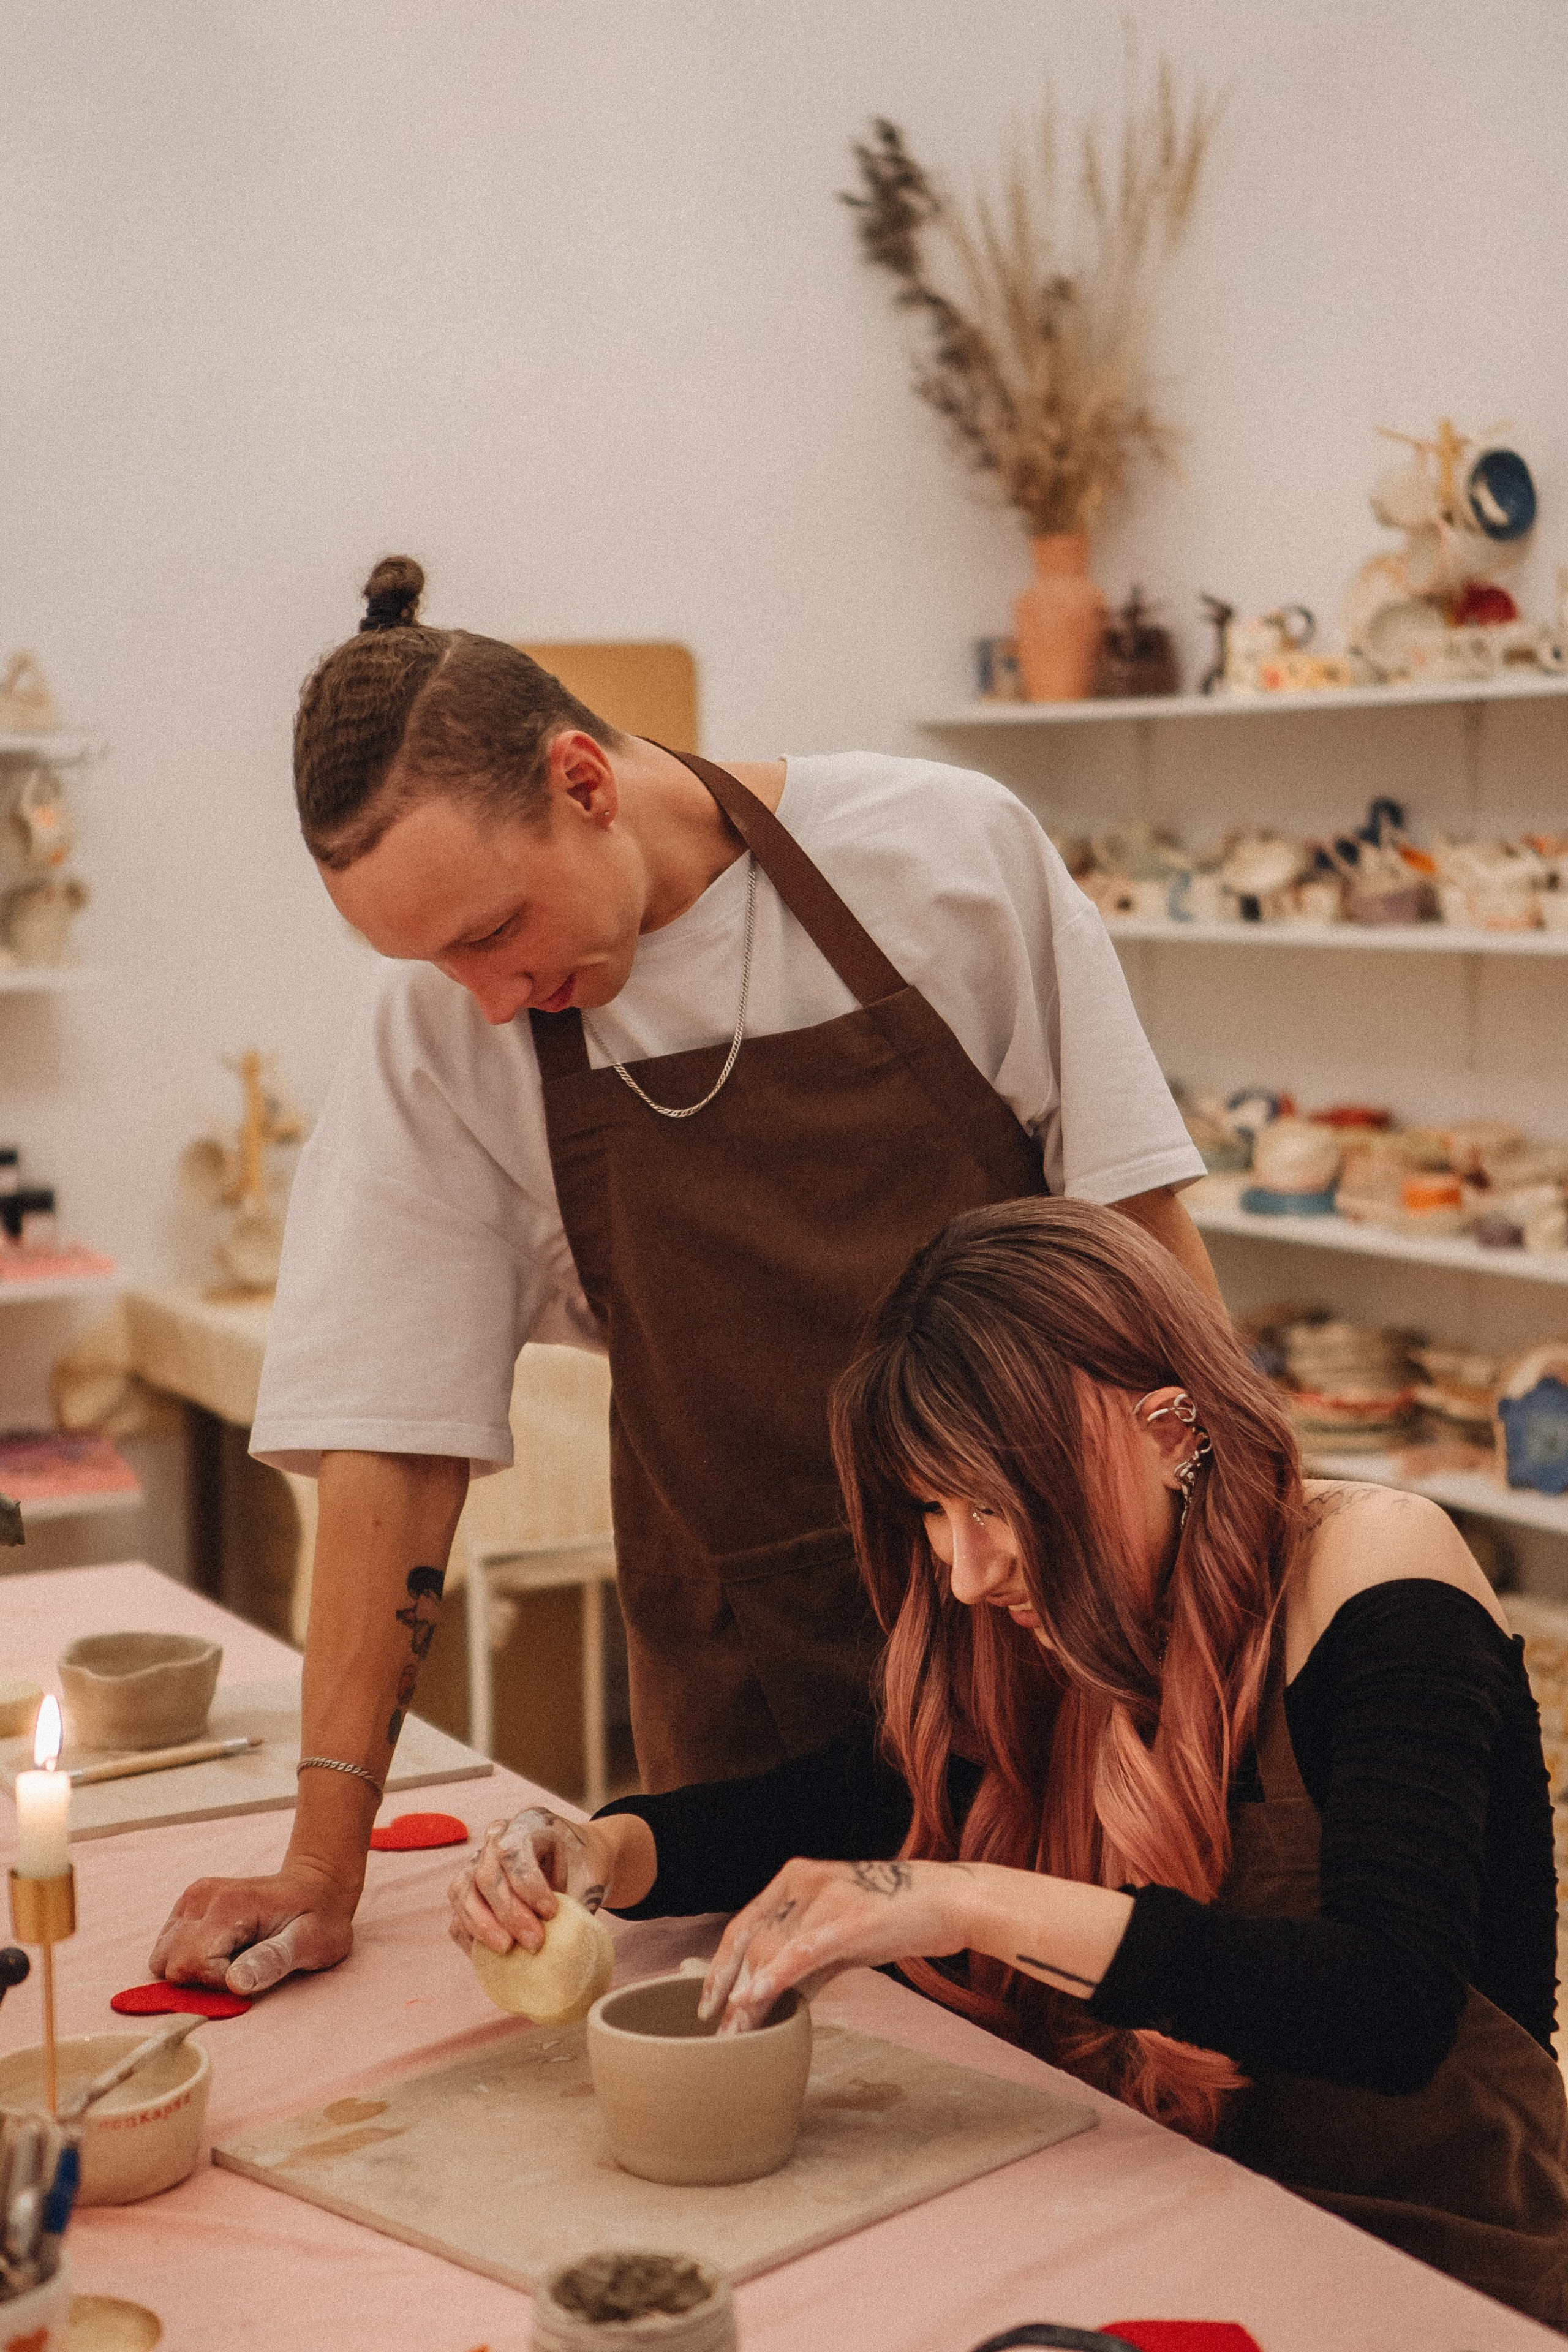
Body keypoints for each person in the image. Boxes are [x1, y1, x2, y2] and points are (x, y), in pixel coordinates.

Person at [151, 556, 1213, 1999]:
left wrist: (1248, 1618)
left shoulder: (940, 858)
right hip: (755, 1705)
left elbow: (1144, 1258)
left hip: (1066, 1642)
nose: (485, 999)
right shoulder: (443, 1038)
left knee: (1124, 2063)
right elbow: (391, 1443)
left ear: (582, 781)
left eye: (492, 934)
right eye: (435, 964)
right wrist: (319, 1864)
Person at [450, 1200, 1568, 2326]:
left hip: (1431, 2263)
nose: (965, 1571)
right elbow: (836, 1803)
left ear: (1171, 1430)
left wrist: (964, 1899)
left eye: (995, 1504)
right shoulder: (1051, 1607)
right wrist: (598, 1848)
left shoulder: (1375, 1571)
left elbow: (1387, 2004)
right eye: (934, 1509)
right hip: (1183, 2211)